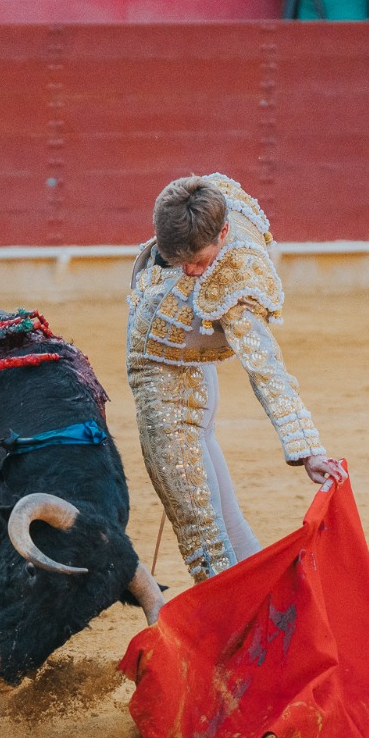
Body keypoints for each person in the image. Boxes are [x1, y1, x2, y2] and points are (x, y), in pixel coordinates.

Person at [126, 173, 346, 583]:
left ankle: (246, 635)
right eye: (180, 261)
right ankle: (271, 611)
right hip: (189, 364)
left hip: (163, 380)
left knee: (203, 539)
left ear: (224, 232)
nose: (190, 272)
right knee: (221, 515)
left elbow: (266, 368)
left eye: (200, 261)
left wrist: (307, 447)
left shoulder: (233, 279)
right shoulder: (208, 203)